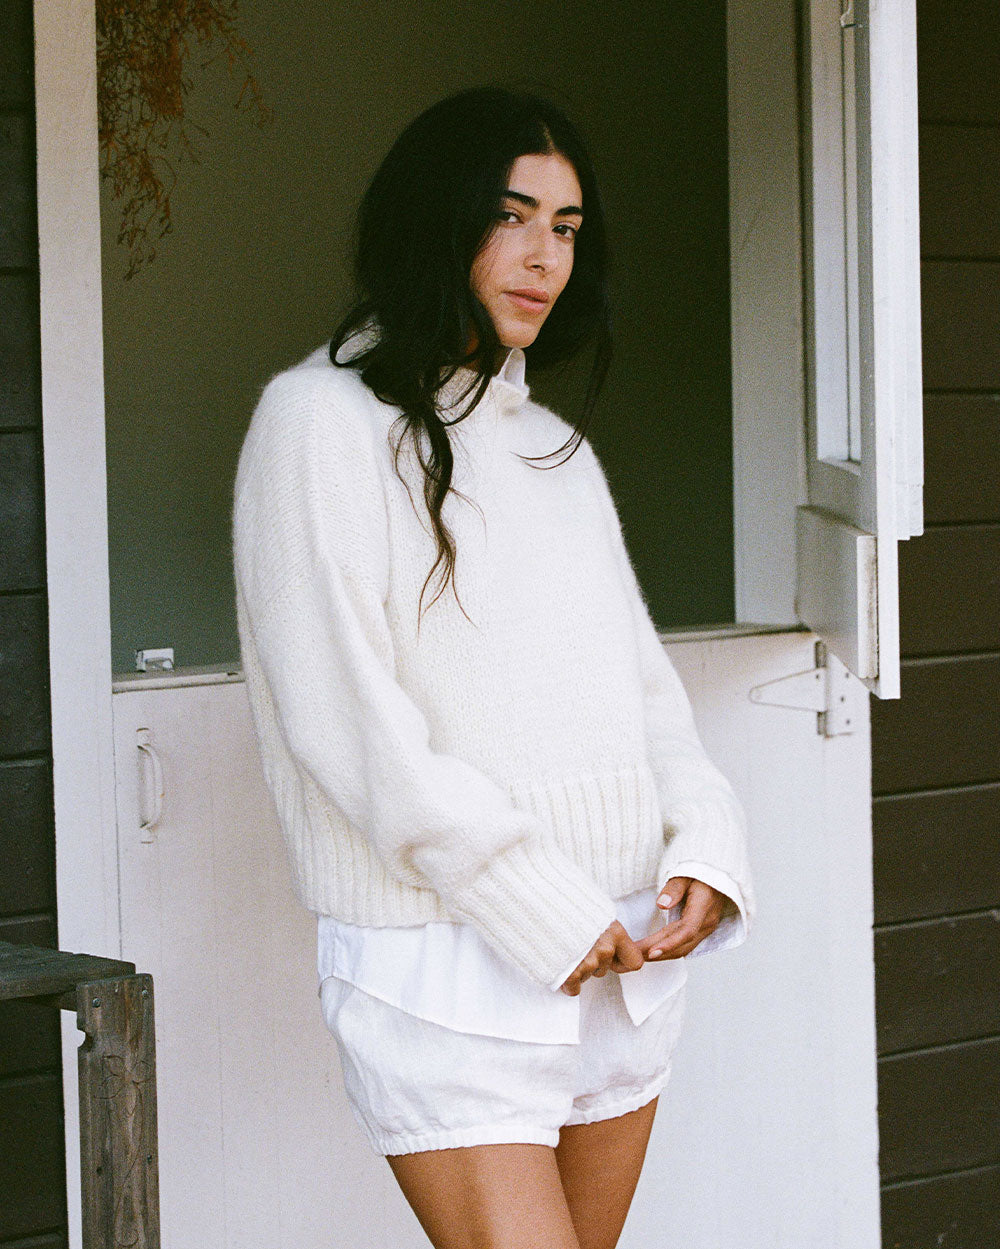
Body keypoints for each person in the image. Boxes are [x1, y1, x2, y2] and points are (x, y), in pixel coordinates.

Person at [231, 85, 755, 1249]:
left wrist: (708, 848)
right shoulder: (316, 420)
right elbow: (344, 721)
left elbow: (646, 697)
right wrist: (532, 901)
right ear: (436, 219)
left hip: (618, 949)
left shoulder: (552, 448)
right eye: (510, 216)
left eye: (565, 228)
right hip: (451, 960)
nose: (543, 256)